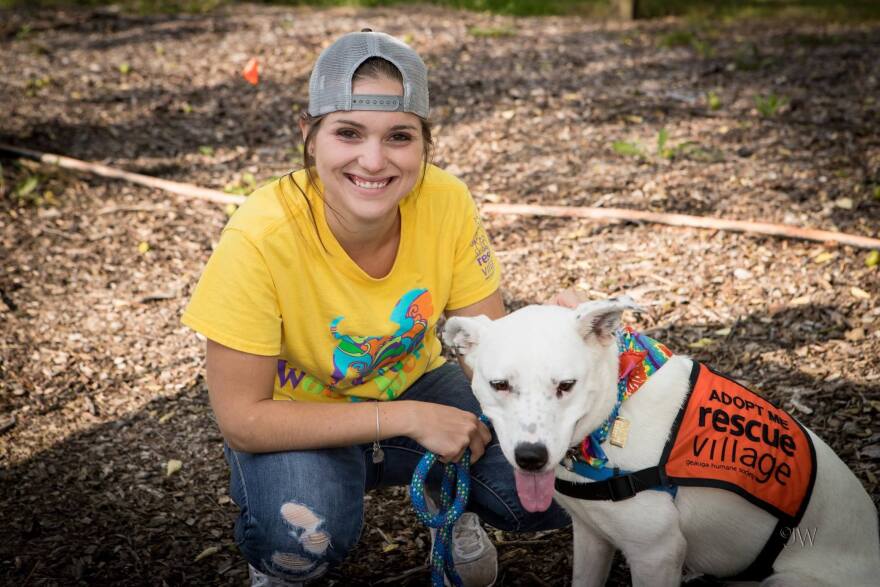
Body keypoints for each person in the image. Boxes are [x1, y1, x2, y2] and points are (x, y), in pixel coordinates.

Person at [182, 30, 570, 586]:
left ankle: (449, 505)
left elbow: (491, 346)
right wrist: (408, 418)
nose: (373, 159)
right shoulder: (259, 236)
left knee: (551, 487)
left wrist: (569, 334)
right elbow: (243, 419)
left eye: (399, 136)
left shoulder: (446, 200)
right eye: (348, 132)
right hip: (299, 413)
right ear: (309, 137)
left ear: (424, 145)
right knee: (301, 538)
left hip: (420, 382)